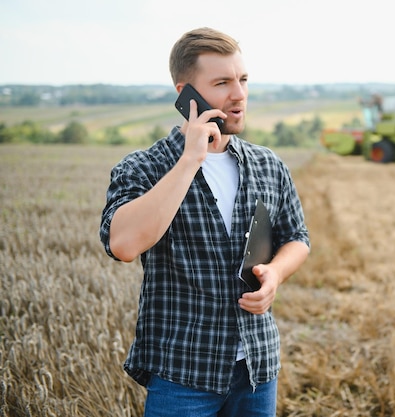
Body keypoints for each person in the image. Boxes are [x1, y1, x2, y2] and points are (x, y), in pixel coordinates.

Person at [99, 27, 310, 416]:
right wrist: (190, 160)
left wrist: (276, 274)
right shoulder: (143, 167)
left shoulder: (268, 164)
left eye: (243, 79)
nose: (239, 94)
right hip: (183, 374)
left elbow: (297, 237)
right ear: (186, 94)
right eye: (222, 83)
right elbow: (124, 245)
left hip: (257, 369)